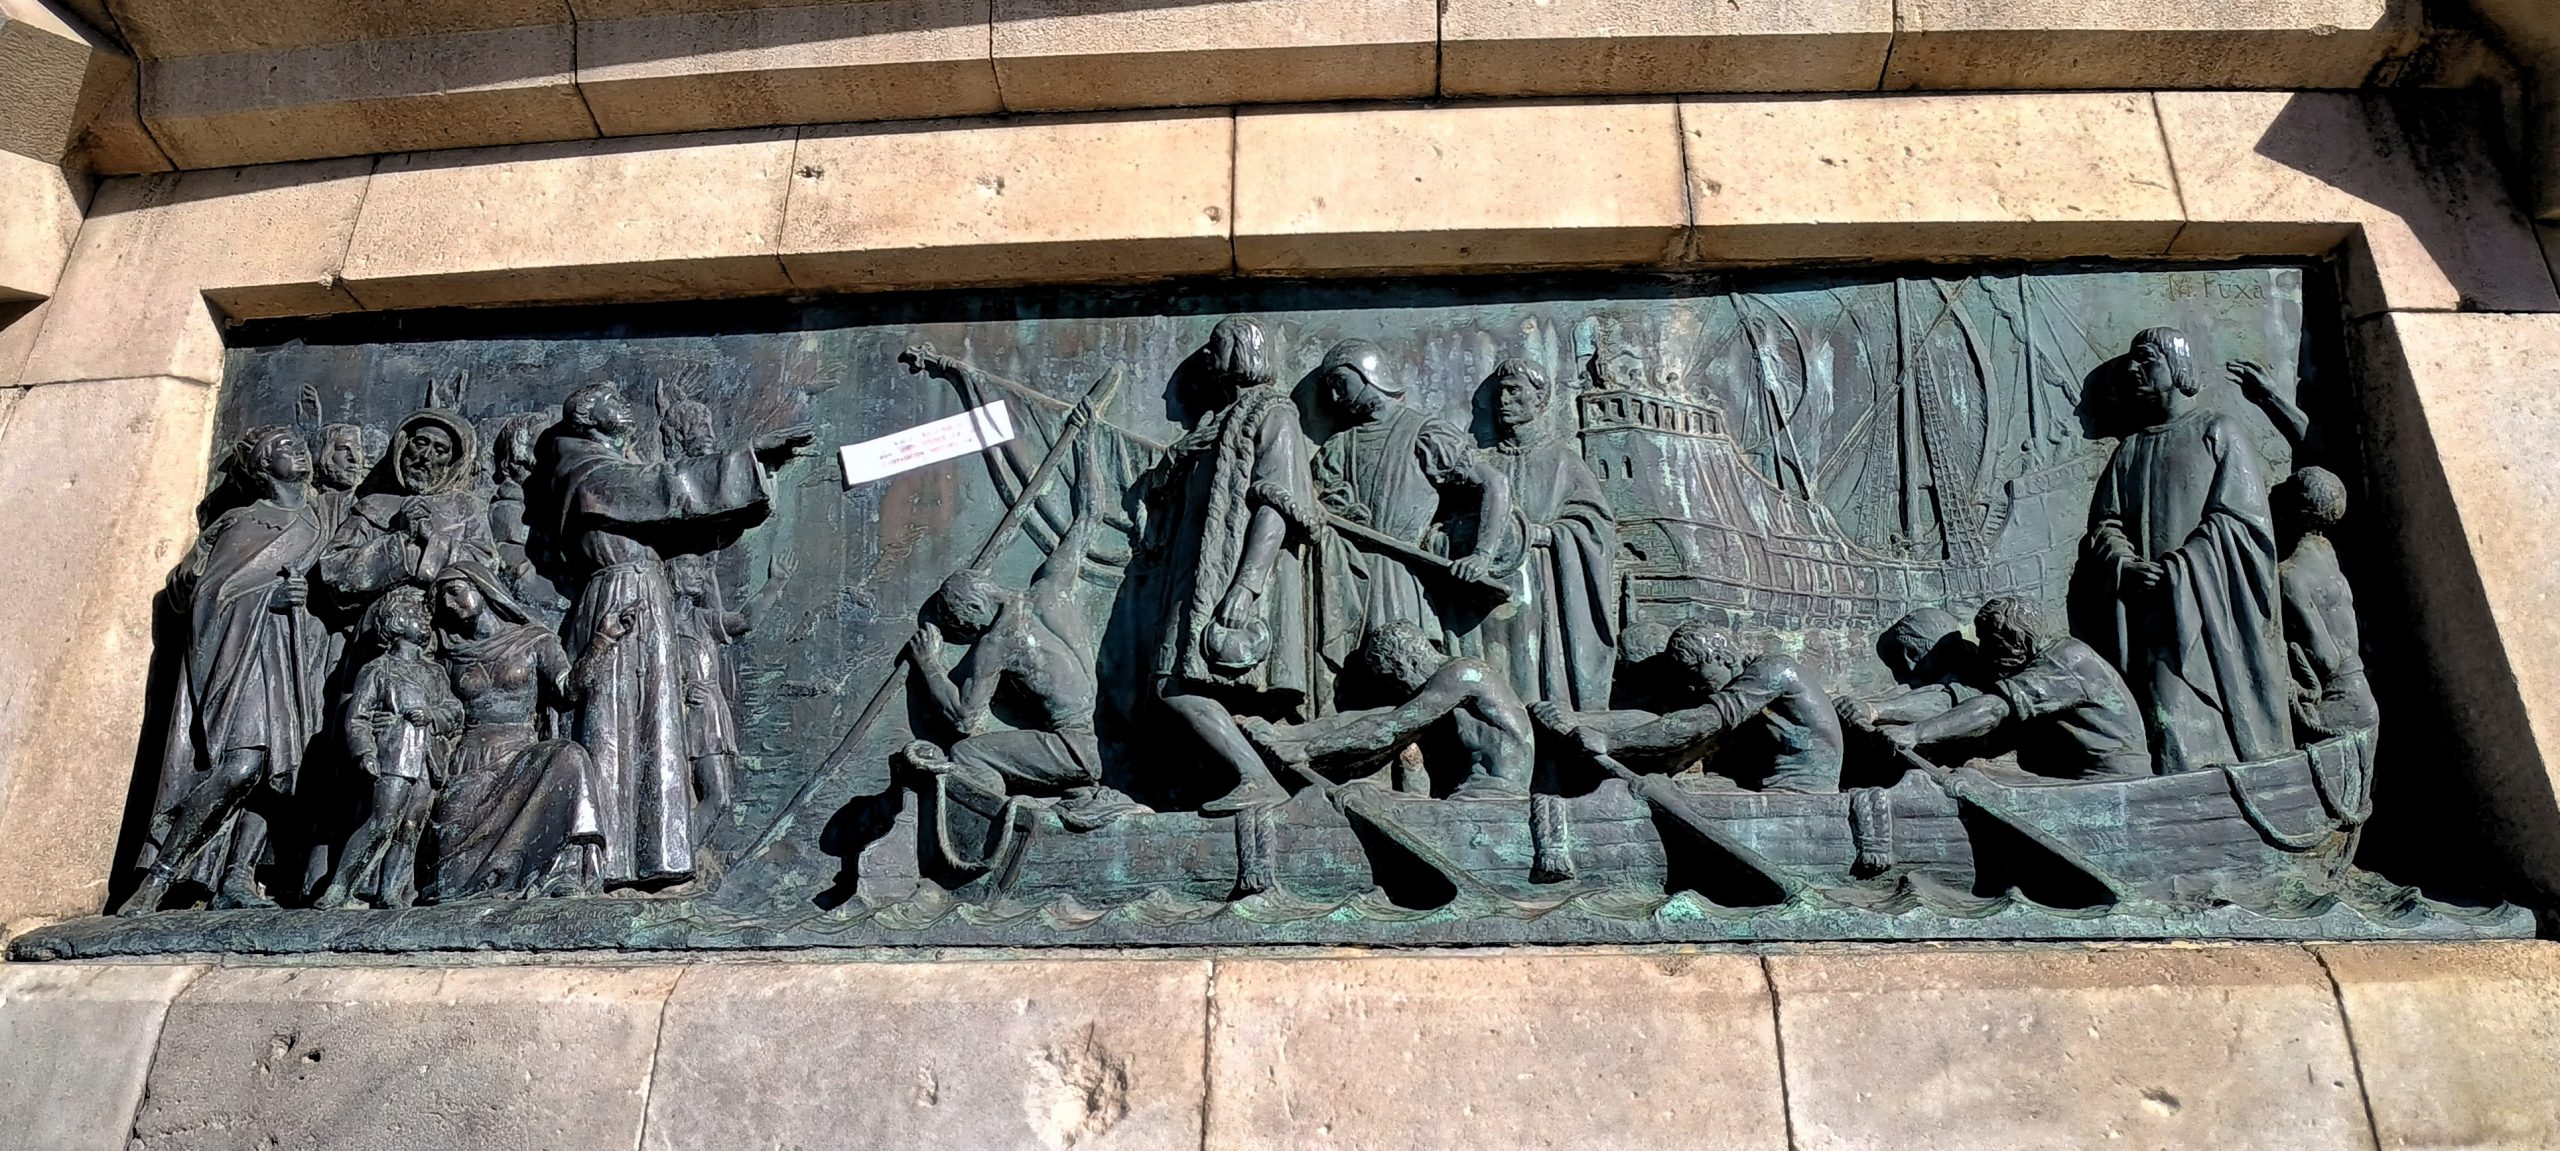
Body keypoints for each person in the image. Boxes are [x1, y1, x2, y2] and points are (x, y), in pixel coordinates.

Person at [531, 380, 814, 888]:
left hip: (647, 595)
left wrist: (757, 470)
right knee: (615, 724)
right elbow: (660, 489)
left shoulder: (611, 469)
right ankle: (605, 860)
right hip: (620, 599)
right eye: (613, 401)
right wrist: (743, 459)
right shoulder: (587, 471)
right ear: (589, 419)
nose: (625, 405)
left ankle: (655, 855)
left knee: (654, 726)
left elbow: (681, 519)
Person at [121, 426, 333, 915]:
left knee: (277, 772)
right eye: (283, 447)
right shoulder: (244, 522)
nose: (298, 450)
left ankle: (237, 877)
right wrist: (270, 599)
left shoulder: (319, 520)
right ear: (262, 466)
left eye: (299, 443)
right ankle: (158, 879)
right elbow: (209, 594)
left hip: (292, 658)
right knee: (243, 766)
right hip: (242, 659)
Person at [1134, 317, 1325, 813]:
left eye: (1215, 345)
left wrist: (1247, 586)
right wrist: (1178, 457)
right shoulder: (1216, 422)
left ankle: (1258, 780)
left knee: (1173, 686)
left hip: (1236, 576)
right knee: (1176, 684)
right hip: (1193, 573)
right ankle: (1248, 781)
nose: (1206, 355)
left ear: (1243, 352)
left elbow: (1277, 506)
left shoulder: (1275, 414)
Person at [2079, 327, 2288, 772]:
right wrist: (2126, 566)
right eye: (2131, 360)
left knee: (2188, 715)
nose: (2133, 369)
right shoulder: (2130, 451)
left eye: (2146, 358)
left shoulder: (2218, 431)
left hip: (2208, 609)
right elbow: (2105, 526)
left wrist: (2179, 568)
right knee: (2164, 720)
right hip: (2149, 613)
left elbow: (2243, 521)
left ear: (2177, 366)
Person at [905, 447, 1147, 829]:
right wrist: (1087, 446)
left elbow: (964, 718)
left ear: (975, 610)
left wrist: (928, 664)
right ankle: (1073, 796)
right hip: (1109, 739)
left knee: (967, 755)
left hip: (1076, 750)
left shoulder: (999, 641)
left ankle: (1002, 830)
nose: (970, 637)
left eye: (965, 629)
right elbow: (1088, 515)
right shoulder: (1050, 587)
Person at [1310, 338, 1506, 657]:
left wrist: (1482, 555)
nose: (1333, 397)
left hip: (1402, 577)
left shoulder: (1425, 434)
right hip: (1346, 578)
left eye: (1340, 383)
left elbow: (1494, 482)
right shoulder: (1338, 446)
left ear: (1367, 374)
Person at [426, 560, 606, 902]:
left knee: (569, 756)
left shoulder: (534, 640)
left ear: (482, 588)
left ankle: (564, 872)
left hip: (521, 756)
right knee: (451, 881)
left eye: (455, 592)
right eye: (442, 600)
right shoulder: (449, 656)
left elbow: (568, 690)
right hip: (470, 762)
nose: (449, 604)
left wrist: (602, 641)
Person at [1537, 620, 1844, 793]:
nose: (1693, 687)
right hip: (1769, 786)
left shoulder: (1772, 670)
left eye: (1696, 673)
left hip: (1798, 789)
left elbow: (1699, 722)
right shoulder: (1747, 692)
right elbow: (1662, 720)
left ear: (1720, 655)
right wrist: (1582, 720)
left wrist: (1609, 741)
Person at [1237, 621, 1536, 799]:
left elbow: (1386, 728)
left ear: (1409, 663)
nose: (1400, 689)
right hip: (1478, 790)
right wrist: (1285, 735)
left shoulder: (1461, 675)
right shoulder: (1447, 685)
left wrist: (1306, 750)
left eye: (1396, 680)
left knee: (1365, 795)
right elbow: (1370, 719)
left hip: (1494, 793)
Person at [1471, 359, 1618, 710]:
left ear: (1540, 399)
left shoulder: (1564, 461)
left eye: (1514, 391)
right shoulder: (1485, 462)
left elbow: (1595, 526)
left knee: (1535, 680)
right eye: (1499, 392)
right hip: (1489, 592)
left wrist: (1546, 535)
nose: (1503, 400)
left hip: (1543, 585)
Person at [1878, 597, 2153, 781]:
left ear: (2017, 641)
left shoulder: (2067, 660)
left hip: (2110, 779)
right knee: (1975, 771)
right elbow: (1963, 698)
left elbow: (1994, 708)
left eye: (1990, 644)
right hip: (2075, 775)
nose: (1985, 653)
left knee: (1972, 779)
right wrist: (1877, 710)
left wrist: (1916, 733)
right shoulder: (2038, 659)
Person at [320, 586, 464, 908]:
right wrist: (365, 752)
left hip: (427, 759)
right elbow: (357, 717)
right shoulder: (378, 669)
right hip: (393, 754)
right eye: (414, 613)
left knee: (410, 827)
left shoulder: (435, 672)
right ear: (396, 622)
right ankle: (338, 889)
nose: (423, 618)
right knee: (381, 823)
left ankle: (390, 892)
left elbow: (454, 710)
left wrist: (433, 715)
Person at [669, 551, 793, 838]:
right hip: (686, 717)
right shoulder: (659, 624)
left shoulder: (701, 619)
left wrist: (774, 583)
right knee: (712, 797)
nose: (698, 574)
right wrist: (680, 691)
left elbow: (745, 620)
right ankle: (681, 851)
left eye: (701, 568)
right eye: (690, 567)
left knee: (718, 798)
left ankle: (683, 849)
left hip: (710, 714)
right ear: (671, 572)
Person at [319, 407, 499, 601]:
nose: (426, 456)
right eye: (420, 444)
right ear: (403, 446)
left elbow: (485, 569)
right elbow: (334, 571)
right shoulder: (373, 505)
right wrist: (401, 540)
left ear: (452, 462)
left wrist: (431, 539)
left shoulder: (467, 508)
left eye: (440, 451)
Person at [2272, 467, 2379, 739]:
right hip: (2362, 696)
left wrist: (2294, 677)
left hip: (2340, 703)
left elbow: (2327, 659)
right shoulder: (2326, 551)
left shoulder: (2290, 576)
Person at [1836, 607, 1982, 730]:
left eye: (1911, 654)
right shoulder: (1942, 667)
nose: (1909, 667)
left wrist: (1874, 710)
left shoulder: (1974, 673)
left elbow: (1943, 703)